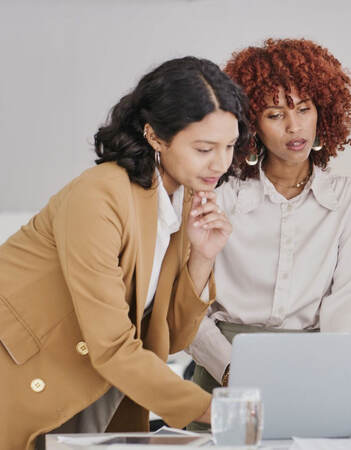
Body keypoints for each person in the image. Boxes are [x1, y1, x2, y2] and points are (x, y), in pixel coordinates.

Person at [0, 56, 251, 449]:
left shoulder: (182, 198)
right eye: (204, 148)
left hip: (94, 384)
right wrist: (216, 410)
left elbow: (173, 338)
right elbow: (112, 344)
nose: (220, 164)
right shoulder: (99, 195)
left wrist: (202, 257)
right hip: (25, 373)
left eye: (230, 147)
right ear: (155, 137)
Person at [186, 38, 351, 407]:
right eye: (275, 114)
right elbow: (186, 309)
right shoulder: (217, 198)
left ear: (323, 111)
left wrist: (330, 375)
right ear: (250, 124)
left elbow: (348, 305)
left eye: (304, 109)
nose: (294, 126)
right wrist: (231, 371)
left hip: (315, 373)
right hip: (222, 370)